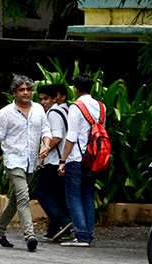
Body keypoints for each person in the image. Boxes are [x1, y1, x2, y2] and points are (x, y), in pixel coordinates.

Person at [0, 75, 52, 252]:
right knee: (23, 197)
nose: (26, 92)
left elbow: (46, 129)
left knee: (15, 199)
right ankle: (30, 236)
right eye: (21, 90)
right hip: (14, 161)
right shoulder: (6, 113)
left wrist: (46, 146)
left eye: (28, 89)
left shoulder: (38, 109)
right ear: (14, 93)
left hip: (31, 162)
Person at [57, 74, 103, 247]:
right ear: (91, 88)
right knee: (88, 195)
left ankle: (81, 235)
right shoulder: (101, 107)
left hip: (76, 157)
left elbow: (71, 137)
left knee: (74, 196)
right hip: (94, 158)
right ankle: (88, 233)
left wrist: (63, 160)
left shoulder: (76, 107)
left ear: (75, 89)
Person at [36, 84, 72, 242]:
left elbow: (56, 137)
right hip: (64, 160)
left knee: (42, 192)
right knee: (57, 196)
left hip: (54, 161)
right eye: (41, 99)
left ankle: (63, 221)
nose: (43, 102)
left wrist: (44, 152)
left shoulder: (53, 113)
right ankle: (56, 231)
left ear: (54, 99)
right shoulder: (66, 111)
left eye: (46, 99)